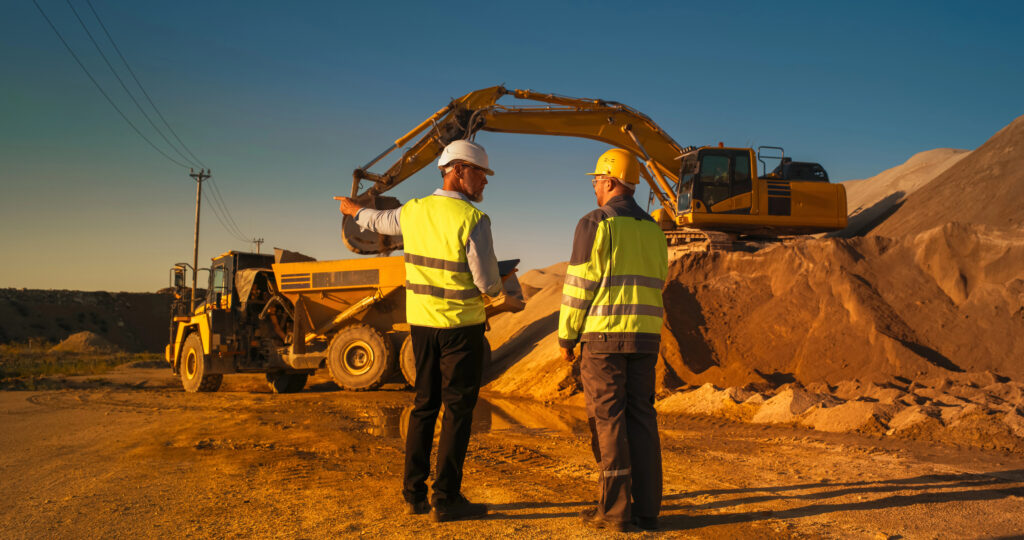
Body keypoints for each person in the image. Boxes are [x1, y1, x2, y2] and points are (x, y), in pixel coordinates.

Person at [336, 139, 502, 523]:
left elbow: (378, 221)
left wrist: (353, 209)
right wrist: (499, 287)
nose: (484, 181)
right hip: (461, 328)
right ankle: (447, 499)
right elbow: (487, 283)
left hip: (422, 327)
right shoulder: (475, 220)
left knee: (424, 406)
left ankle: (413, 494)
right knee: (457, 412)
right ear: (458, 171)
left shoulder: (413, 211)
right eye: (480, 172)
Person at [558, 148, 668, 532]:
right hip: (645, 338)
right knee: (642, 419)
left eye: (596, 180)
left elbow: (579, 285)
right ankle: (647, 509)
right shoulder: (655, 230)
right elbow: (659, 280)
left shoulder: (596, 222)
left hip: (603, 338)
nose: (594, 186)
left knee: (608, 422)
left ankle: (616, 512)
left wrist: (567, 336)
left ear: (609, 181)